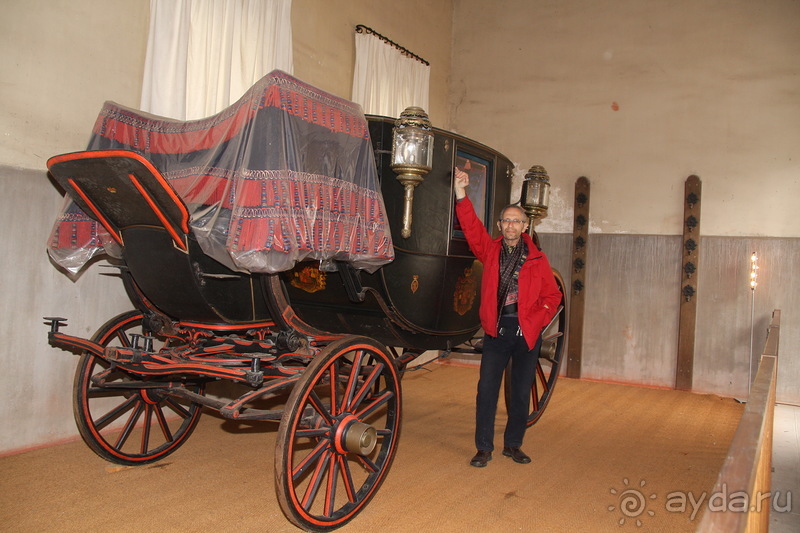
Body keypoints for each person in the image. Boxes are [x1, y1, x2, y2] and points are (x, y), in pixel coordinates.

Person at [453, 167, 562, 467]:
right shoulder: (490, 252)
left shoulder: (538, 260)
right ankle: (483, 447)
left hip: (527, 333)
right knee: (486, 391)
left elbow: (553, 297)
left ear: (525, 226)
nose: (511, 226)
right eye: (507, 221)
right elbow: (472, 228)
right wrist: (461, 193)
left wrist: (539, 320)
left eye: (517, 221)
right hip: (496, 332)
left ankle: (513, 444)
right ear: (500, 226)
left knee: (520, 392)